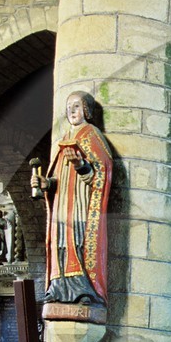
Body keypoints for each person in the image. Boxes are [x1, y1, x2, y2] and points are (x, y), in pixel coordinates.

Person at [42, 90, 113, 307]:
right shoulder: (64, 140)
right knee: (59, 243)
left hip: (81, 203)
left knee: (77, 241)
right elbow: (55, 177)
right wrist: (46, 184)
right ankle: (58, 286)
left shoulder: (91, 135)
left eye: (77, 106)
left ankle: (83, 289)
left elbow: (103, 170)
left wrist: (80, 165)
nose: (72, 111)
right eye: (69, 107)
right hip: (62, 203)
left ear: (87, 111)